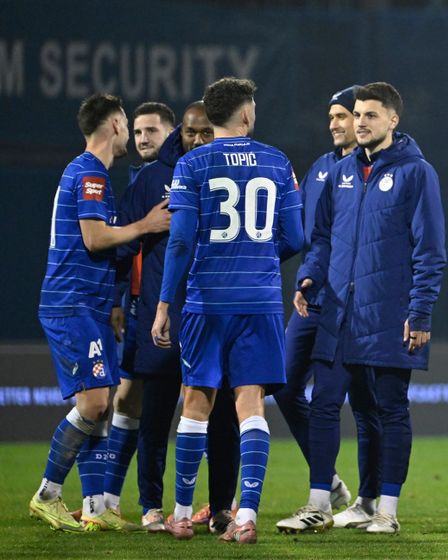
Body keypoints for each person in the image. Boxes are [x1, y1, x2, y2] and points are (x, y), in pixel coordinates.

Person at [151, 77, 305, 544]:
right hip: (258, 301)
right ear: (245, 114)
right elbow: (296, 238)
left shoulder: (191, 163)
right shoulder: (278, 161)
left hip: (206, 299)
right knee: (251, 404)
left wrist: (163, 303)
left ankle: (179, 514)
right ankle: (246, 517)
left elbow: (179, 241)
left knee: (196, 402)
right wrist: (257, 257)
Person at [292, 82, 446, 535]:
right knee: (325, 402)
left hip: (389, 314)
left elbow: (431, 250)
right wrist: (310, 278)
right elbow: (322, 238)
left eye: (370, 115)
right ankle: (320, 502)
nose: (359, 122)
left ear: (393, 121)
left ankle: (386, 510)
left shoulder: (417, 173)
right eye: (356, 114)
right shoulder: (340, 173)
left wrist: (420, 312)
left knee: (388, 409)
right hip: (339, 313)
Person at [29, 92, 170, 532]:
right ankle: (48, 493)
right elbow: (93, 238)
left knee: (103, 405)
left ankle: (96, 507)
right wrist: (145, 225)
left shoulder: (94, 175)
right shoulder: (89, 172)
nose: (131, 132)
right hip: (72, 304)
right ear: (113, 124)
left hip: (89, 305)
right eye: (128, 123)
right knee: (93, 403)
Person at [113, 101, 243, 533]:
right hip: (161, 316)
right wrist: (117, 301)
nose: (199, 140)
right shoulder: (152, 179)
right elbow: (121, 246)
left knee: (222, 415)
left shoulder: (233, 178)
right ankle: (151, 505)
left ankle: (221, 506)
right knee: (155, 415)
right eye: (191, 133)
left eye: (207, 132)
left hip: (215, 316)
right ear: (180, 135)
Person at [275, 85, 384, 534]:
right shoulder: (321, 169)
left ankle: (369, 497)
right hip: (315, 299)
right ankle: (329, 482)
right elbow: (315, 236)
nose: (339, 123)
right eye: (335, 116)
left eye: (347, 115)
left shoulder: (375, 169)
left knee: (364, 403)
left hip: (356, 306)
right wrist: (306, 277)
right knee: (282, 384)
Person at [98, 100, 174, 523]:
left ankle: (212, 504)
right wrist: (116, 300)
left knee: (183, 404)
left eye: (153, 132)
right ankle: (110, 496)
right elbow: (124, 252)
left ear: (169, 136)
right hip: (141, 311)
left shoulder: (173, 178)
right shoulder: (136, 182)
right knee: (128, 400)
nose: (143, 138)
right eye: (139, 131)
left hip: (175, 311)